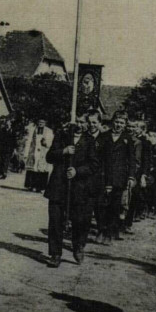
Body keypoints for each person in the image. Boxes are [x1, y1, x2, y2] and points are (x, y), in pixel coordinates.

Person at [44, 115, 99, 267]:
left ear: (87, 125)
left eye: (83, 122)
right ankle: (55, 254)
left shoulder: (90, 141)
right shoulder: (62, 136)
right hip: (58, 186)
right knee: (55, 221)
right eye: (77, 122)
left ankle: (78, 247)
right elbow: (49, 157)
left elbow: (94, 165)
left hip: (78, 189)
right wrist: (63, 151)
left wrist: (77, 171)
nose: (79, 125)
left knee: (79, 221)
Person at [96, 110, 136, 245]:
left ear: (125, 125)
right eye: (117, 122)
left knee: (114, 206)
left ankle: (109, 233)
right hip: (103, 175)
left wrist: (131, 176)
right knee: (100, 205)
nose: (118, 125)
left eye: (122, 123)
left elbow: (131, 160)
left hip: (119, 177)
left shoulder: (127, 139)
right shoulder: (103, 136)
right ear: (113, 122)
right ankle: (101, 229)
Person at [23, 118, 53, 192]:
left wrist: (46, 143)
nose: (40, 124)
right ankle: (31, 185)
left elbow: (50, 143)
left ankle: (40, 187)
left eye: (42, 122)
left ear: (45, 123)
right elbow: (28, 141)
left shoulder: (49, 131)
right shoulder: (33, 130)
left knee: (41, 170)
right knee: (33, 169)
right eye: (39, 122)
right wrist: (26, 153)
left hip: (43, 152)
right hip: (33, 151)